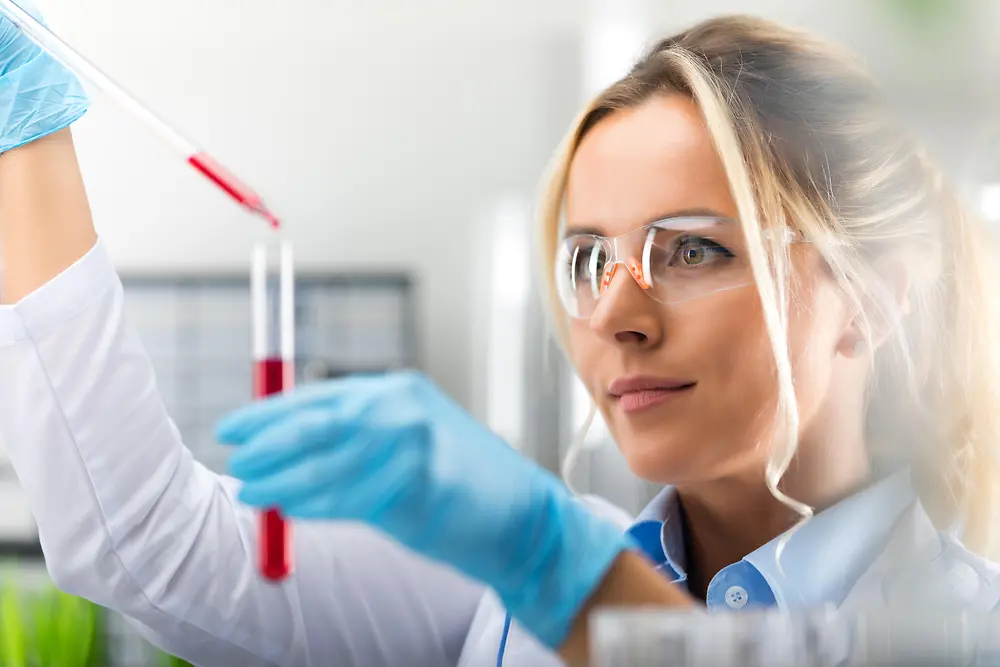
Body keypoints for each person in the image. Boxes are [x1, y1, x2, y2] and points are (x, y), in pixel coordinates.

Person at [0, 3, 998, 666]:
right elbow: (144, 542)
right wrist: (25, 122)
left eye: (689, 250)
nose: (614, 313)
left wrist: (556, 564)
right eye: (585, 259)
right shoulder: (506, 585)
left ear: (871, 292)